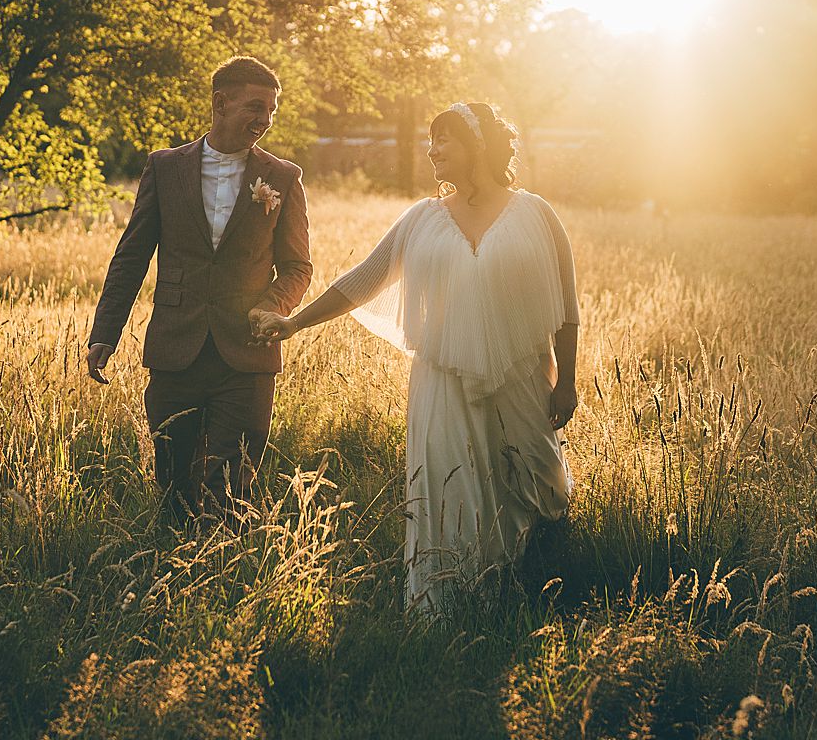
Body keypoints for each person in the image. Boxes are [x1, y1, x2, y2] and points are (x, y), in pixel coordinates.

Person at [252, 102, 579, 614]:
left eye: (444, 140)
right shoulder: (423, 219)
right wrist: (294, 323)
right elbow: (363, 280)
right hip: (442, 382)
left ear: (477, 145)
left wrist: (568, 381)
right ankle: (446, 605)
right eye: (430, 140)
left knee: (538, 484)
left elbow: (567, 306)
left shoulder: (536, 214)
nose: (432, 150)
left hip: (523, 377)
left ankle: (524, 590)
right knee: (449, 491)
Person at [85, 56, 312, 520]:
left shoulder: (284, 178)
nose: (263, 121)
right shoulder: (165, 168)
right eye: (254, 107)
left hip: (247, 356)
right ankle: (173, 579)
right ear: (219, 102)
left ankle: (227, 579)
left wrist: (272, 307)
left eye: (271, 111)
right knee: (174, 484)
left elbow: (297, 267)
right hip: (175, 351)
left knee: (231, 487)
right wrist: (104, 334)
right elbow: (131, 258)